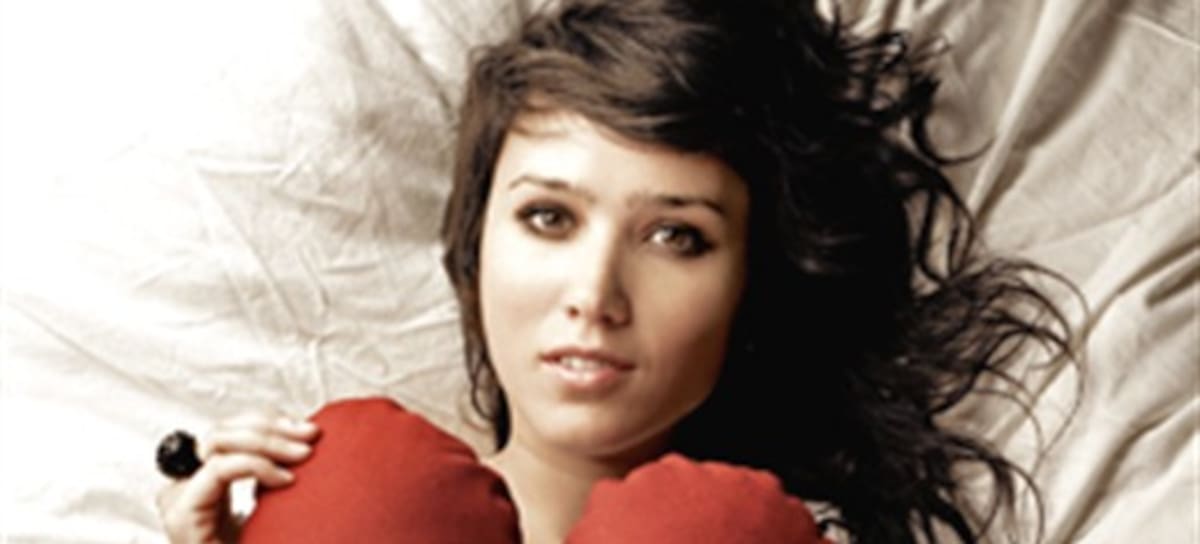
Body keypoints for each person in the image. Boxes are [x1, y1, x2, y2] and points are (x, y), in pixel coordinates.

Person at [155, 0, 1073, 542]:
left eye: (676, 237)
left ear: (751, 283)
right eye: (548, 218)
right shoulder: (345, 505)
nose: (594, 295)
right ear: (475, 246)